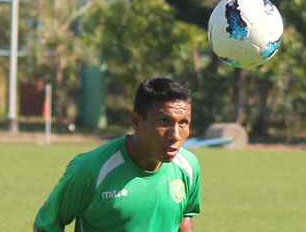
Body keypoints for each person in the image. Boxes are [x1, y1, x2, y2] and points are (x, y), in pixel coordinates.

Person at [34, 78, 201, 232]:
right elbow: (47, 225)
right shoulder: (90, 169)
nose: (176, 135)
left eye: (183, 123)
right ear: (135, 121)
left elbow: (185, 215)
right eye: (164, 121)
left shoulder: (188, 166)